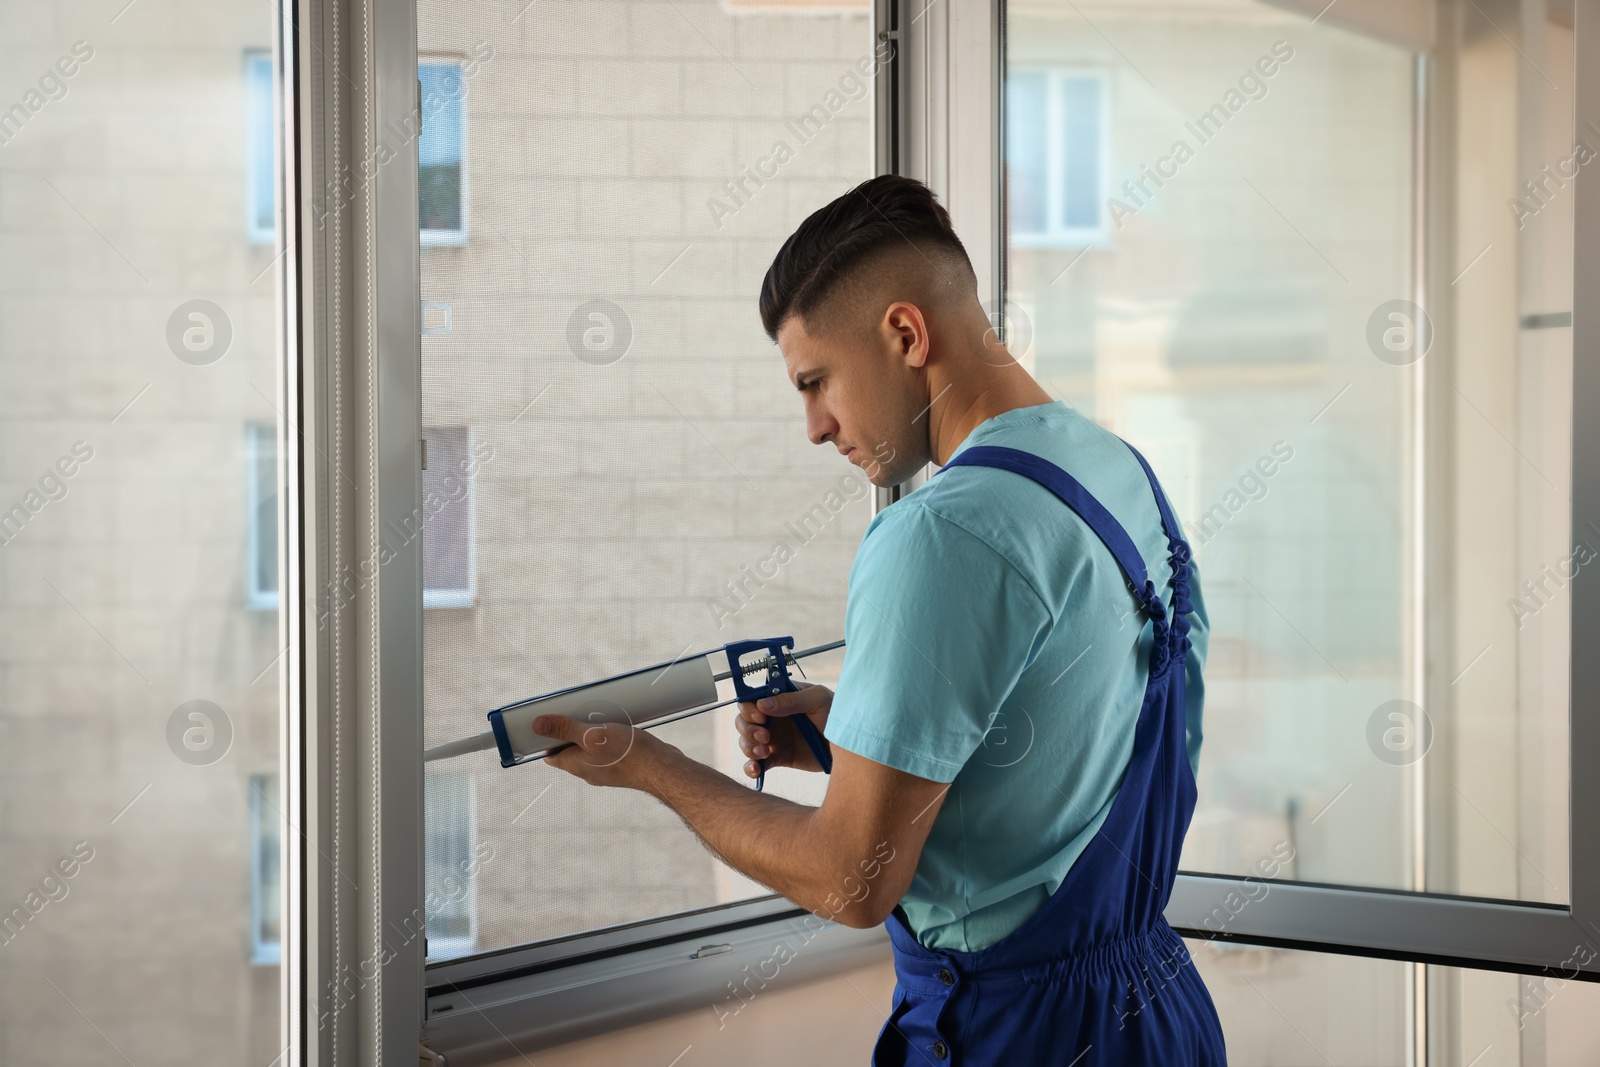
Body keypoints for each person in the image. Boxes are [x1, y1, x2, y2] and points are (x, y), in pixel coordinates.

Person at [532, 174, 1227, 1064]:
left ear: (904, 332)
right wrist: (852, 737)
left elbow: (850, 878)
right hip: (1160, 1015)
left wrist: (651, 766)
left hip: (1024, 1038)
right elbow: (1072, 740)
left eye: (816, 380)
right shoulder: (1113, 468)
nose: (816, 427)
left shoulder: (942, 531)